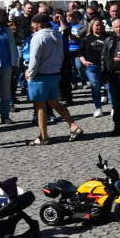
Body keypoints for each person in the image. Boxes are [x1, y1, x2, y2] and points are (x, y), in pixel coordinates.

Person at [25, 14, 83, 145]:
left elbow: (34, 60)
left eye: (32, 24)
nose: (31, 26)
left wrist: (30, 75)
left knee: (39, 106)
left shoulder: (38, 37)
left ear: (39, 24)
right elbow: (61, 56)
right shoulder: (57, 35)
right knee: (54, 102)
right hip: (55, 73)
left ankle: (44, 136)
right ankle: (73, 126)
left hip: (40, 75)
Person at [78, 18, 108, 117]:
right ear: (92, 27)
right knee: (95, 87)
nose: (98, 27)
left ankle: (114, 107)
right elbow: (80, 53)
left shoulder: (108, 37)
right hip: (92, 67)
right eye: (96, 25)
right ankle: (98, 108)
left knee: (109, 87)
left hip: (106, 66)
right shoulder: (87, 38)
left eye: (100, 25)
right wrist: (84, 62)